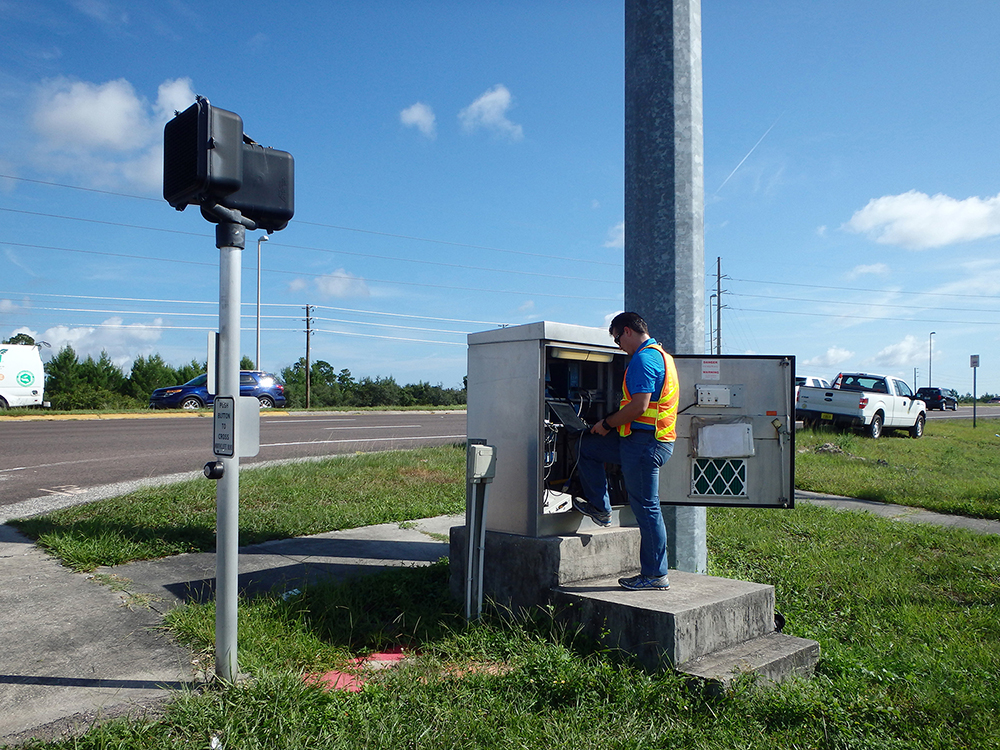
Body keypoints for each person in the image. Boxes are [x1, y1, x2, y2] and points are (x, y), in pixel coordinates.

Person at [573, 312, 679, 591]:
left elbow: (639, 407)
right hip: (641, 441)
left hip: (645, 444)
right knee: (587, 447)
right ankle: (601, 508)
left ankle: (655, 575)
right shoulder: (661, 355)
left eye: (618, 338)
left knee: (647, 508)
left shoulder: (644, 359)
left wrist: (606, 423)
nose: (619, 344)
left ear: (628, 331)